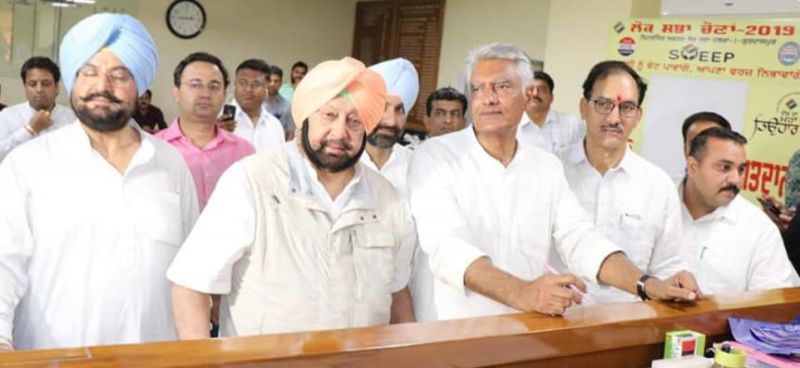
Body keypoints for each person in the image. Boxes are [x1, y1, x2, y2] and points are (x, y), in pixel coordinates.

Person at [407, 43, 699, 322]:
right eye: (478, 88)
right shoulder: (435, 157)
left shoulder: (544, 166)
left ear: (527, 97)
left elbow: (579, 238)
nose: (488, 98)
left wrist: (645, 284)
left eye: (501, 86)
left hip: (525, 330)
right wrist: (523, 293)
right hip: (449, 331)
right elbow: (447, 246)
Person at [168, 56, 416, 339]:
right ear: (304, 118)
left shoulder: (388, 200)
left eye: (354, 121)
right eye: (329, 115)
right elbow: (190, 284)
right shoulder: (252, 181)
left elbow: (397, 294)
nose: (340, 132)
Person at [0, 13, 198, 351]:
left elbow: (192, 267)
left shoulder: (170, 163)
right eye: (89, 72)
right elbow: (5, 262)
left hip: (154, 355)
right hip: (52, 355)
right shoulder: (29, 163)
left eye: (119, 75)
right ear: (74, 83)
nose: (102, 86)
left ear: (140, 86)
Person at [553, 61, 687, 304]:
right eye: (603, 105)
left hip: (626, 327)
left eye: (626, 107)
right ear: (584, 108)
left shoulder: (657, 185)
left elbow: (668, 267)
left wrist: (677, 286)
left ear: (637, 116)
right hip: (552, 323)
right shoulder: (551, 171)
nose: (614, 118)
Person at [680, 127, 800, 293]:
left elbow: (770, 307)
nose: (736, 179)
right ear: (693, 166)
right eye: (724, 167)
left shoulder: (760, 229)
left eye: (741, 169)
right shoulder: (657, 200)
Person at [156, 52, 255, 211]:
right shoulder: (153, 149)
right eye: (195, 85)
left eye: (214, 86)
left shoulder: (245, 152)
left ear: (224, 95)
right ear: (176, 92)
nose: (205, 94)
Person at [360, 58, 418, 197]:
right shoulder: (339, 161)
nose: (391, 121)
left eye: (399, 110)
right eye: (382, 108)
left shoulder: (416, 166)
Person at [0, 56, 76, 161]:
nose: (39, 89)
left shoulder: (72, 118)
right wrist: (30, 130)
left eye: (46, 84)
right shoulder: (7, 116)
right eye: (32, 84)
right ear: (25, 87)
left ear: (57, 87)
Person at [516, 71, 584, 154]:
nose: (535, 93)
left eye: (541, 89)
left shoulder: (571, 125)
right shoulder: (510, 128)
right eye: (530, 89)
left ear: (551, 97)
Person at [229, 58, 285, 152]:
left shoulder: (274, 125)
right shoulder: (217, 122)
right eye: (242, 83)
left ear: (266, 87)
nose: (248, 89)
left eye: (255, 84)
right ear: (235, 83)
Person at [263, 65, 295, 141]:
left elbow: (290, 132)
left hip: (278, 149)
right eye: (270, 80)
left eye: (276, 81)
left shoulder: (287, 106)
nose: (272, 84)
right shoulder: (255, 104)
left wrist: (286, 151)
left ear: (281, 83)